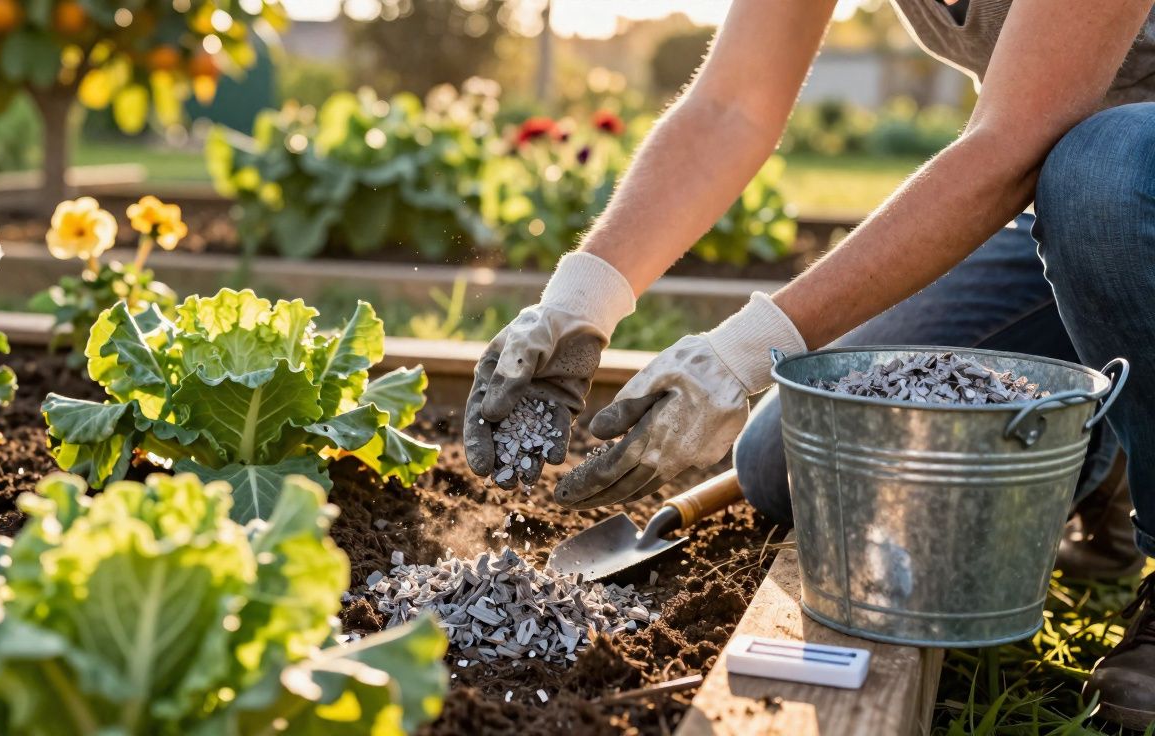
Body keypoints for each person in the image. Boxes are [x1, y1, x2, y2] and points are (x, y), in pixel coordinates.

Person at [463, 0, 1155, 728]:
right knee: (781, 461)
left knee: (1101, 172)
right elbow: (733, 103)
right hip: (1066, 198)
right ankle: (1120, 409)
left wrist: (743, 351)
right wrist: (580, 300)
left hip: (1107, 180)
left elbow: (1012, 139)